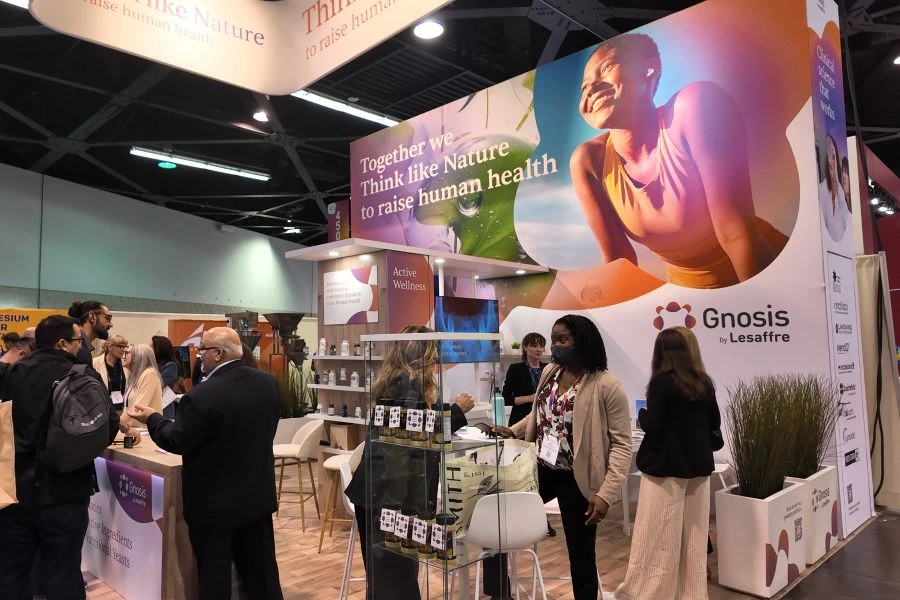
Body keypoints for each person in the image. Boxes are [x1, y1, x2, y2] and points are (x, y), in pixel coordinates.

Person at [571, 34, 785, 289]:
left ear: (649, 69)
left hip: (766, 275)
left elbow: (736, 233)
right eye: (584, 87)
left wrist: (760, 307)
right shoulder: (589, 161)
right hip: (688, 298)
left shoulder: (694, 106)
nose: (591, 88)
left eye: (606, 68)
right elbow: (618, 262)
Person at [126, 327, 284, 600]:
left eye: (202, 350)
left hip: (214, 506)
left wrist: (153, 418)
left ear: (218, 354)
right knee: (262, 576)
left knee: (214, 578)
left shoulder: (201, 395)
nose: (199, 356)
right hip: (256, 498)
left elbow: (177, 440)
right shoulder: (267, 383)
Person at [0, 315, 138, 600]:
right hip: (66, 488)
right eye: (78, 341)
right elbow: (107, 427)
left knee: (13, 570)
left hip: (16, 489)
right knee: (63, 570)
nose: (81, 347)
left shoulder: (13, 373)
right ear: (62, 343)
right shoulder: (83, 375)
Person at [495, 314, 633, 600]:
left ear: (582, 341)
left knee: (581, 555)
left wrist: (606, 493)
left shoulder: (607, 385)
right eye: (553, 340)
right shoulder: (551, 373)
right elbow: (541, 413)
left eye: (562, 339)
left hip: (577, 478)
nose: (554, 346)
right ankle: (499, 592)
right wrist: (512, 430)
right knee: (499, 519)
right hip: (542, 469)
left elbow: (621, 445)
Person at [344, 324, 474, 600]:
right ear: (421, 355)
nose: (436, 361)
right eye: (433, 354)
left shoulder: (399, 383)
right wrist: (456, 412)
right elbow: (411, 438)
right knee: (393, 574)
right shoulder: (406, 386)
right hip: (390, 494)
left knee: (390, 574)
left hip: (385, 493)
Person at [612, 327, 720, 600]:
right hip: (698, 467)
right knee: (694, 537)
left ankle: (650, 593)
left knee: (657, 536)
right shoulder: (704, 383)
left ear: (662, 351)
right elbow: (714, 423)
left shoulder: (662, 383)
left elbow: (656, 426)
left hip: (665, 469)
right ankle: (691, 593)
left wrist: (642, 415)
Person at [503, 332, 548, 427]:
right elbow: (506, 399)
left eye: (541, 346)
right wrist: (530, 398)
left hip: (545, 418)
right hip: (521, 418)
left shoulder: (548, 368)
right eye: (534, 346)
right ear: (525, 347)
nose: (539, 350)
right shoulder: (516, 369)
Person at [120, 343, 163, 429]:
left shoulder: (150, 374)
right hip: (134, 428)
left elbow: (138, 407)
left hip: (145, 430)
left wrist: (118, 423)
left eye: (127, 353)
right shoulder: (134, 375)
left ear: (139, 356)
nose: (123, 356)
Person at [818, 134, 850, 241]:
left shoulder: (841, 189)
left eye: (833, 149)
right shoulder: (821, 189)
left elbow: (847, 221)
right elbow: (822, 223)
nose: (831, 152)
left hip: (844, 245)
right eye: (829, 150)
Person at [67, 300, 113, 365]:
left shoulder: (76, 344)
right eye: (107, 318)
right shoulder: (78, 349)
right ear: (92, 317)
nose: (111, 325)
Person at [93, 334, 129, 411]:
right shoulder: (95, 363)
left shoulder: (126, 363)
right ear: (110, 347)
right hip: (103, 407)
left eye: (124, 347)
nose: (123, 350)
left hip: (122, 408)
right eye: (120, 346)